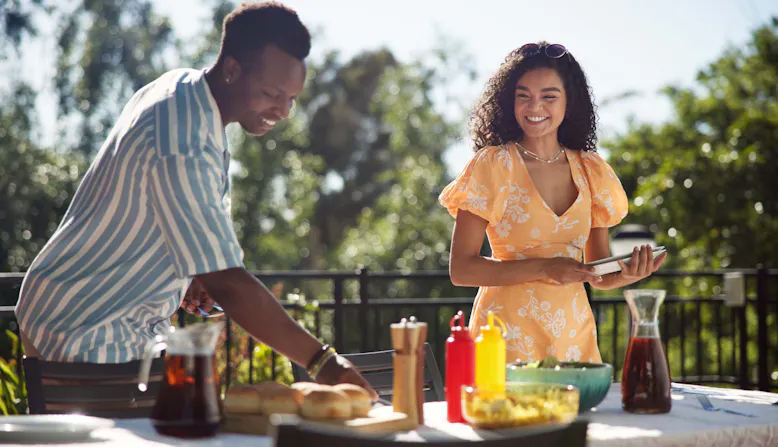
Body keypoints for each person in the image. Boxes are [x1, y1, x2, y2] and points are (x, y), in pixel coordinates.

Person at [15, 1, 375, 395]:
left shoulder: (184, 91)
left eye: (291, 99)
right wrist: (326, 364)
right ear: (233, 68)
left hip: (94, 316)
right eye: (272, 93)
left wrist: (190, 270)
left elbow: (154, 215)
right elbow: (230, 284)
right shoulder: (183, 137)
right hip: (88, 324)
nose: (283, 111)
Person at [439, 42, 667, 363]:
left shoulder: (591, 171)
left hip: (572, 334)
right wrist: (547, 267)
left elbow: (594, 270)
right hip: (505, 335)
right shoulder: (493, 165)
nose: (535, 106)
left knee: (579, 414)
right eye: (523, 95)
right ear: (510, 101)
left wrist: (625, 276)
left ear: (568, 102)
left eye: (549, 96)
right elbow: (462, 269)